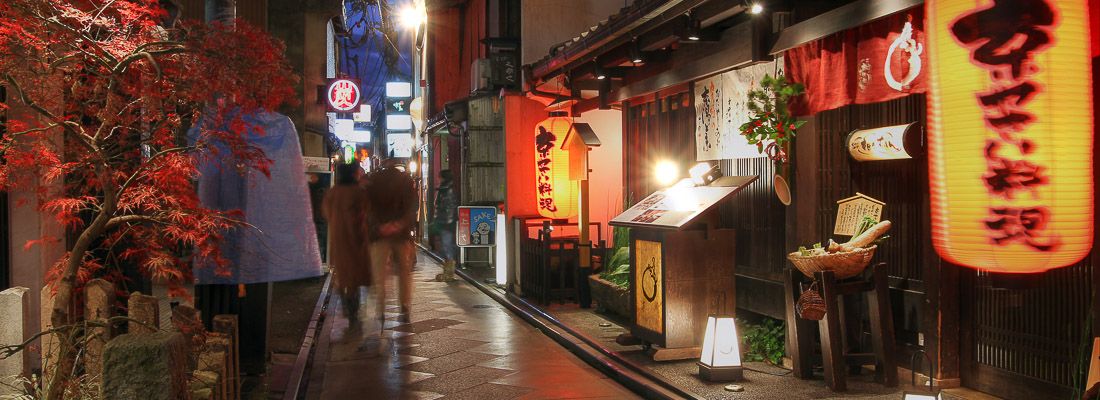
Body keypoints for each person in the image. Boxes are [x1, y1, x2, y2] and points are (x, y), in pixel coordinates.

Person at [365, 159, 419, 326]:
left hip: (379, 234)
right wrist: (399, 224)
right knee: (404, 271)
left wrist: (379, 226)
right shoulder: (405, 181)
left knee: (379, 273)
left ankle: (380, 309)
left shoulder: (373, 180)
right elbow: (413, 206)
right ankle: (404, 307)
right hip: (401, 234)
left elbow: (366, 207)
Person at [322, 162, 372, 329]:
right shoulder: (358, 192)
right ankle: (352, 312)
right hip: (355, 239)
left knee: (343, 276)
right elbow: (365, 213)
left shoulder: (332, 192)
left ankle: (347, 306)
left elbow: (326, 212)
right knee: (354, 279)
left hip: (338, 239)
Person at [431, 170, 458, 281]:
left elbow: (450, 208)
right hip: (444, 222)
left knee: (447, 247)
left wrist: (445, 222)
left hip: (447, 223)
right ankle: (447, 272)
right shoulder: (443, 189)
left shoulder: (448, 191)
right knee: (445, 247)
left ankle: (449, 274)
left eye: (440, 177)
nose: (439, 179)